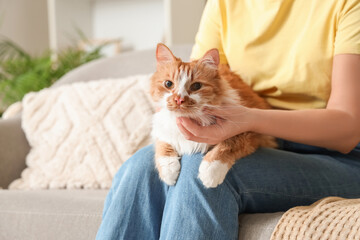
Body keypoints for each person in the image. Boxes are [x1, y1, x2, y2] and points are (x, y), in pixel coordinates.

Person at [96, 0, 360, 239]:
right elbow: (196, 78)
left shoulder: (348, 5)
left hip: (335, 155)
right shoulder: (223, 4)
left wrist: (250, 119)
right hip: (251, 135)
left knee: (198, 174)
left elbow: (347, 130)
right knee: (139, 167)